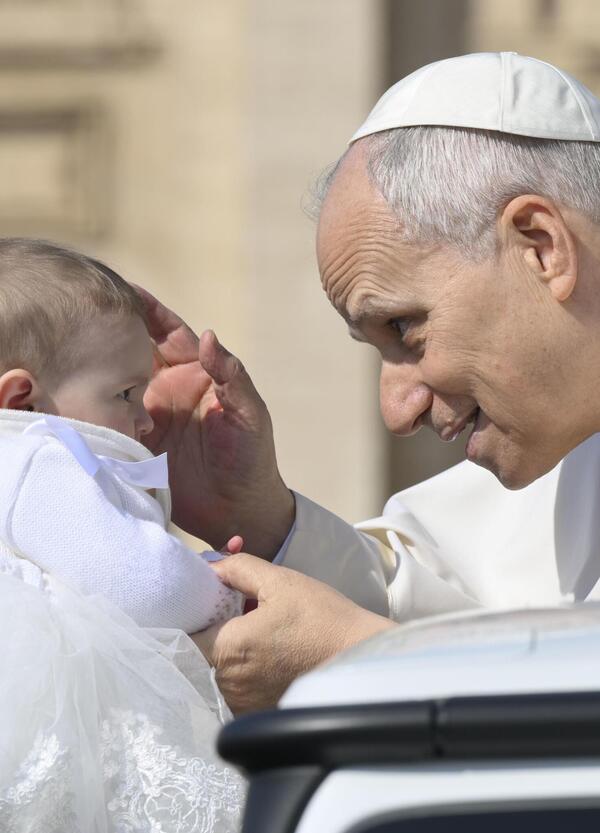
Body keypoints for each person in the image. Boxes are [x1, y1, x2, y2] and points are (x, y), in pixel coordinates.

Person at [134, 53, 600, 714]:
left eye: (406, 328)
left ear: (540, 246)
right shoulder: (562, 445)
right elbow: (436, 606)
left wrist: (366, 666)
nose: (397, 409)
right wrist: (258, 512)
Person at [0, 238, 244, 831]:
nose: (146, 416)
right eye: (125, 393)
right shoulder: (37, 453)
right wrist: (222, 590)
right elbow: (144, 582)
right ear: (22, 400)